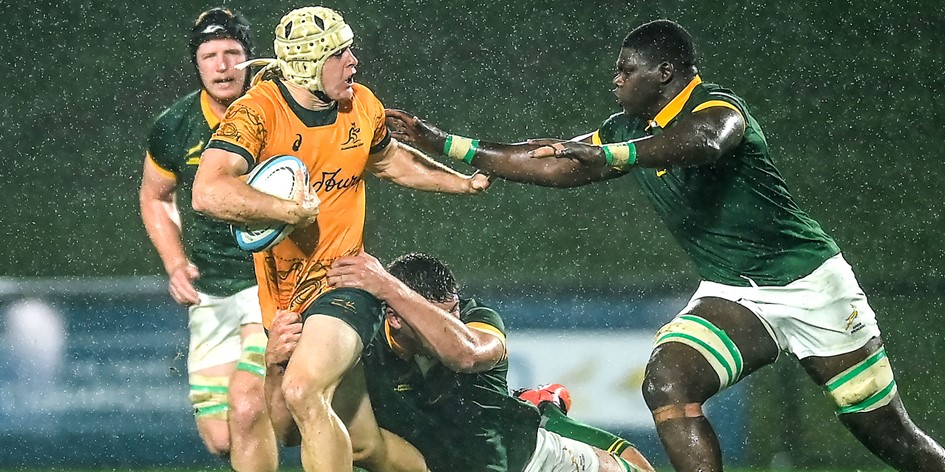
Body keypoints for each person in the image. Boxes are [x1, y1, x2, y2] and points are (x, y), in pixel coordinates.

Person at [384, 19, 945, 472]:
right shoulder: (627, 128)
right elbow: (552, 162)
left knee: (890, 439)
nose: (616, 81)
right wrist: (444, 142)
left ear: (666, 72)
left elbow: (705, 143)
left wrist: (614, 155)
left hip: (811, 287)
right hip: (733, 293)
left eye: (627, 71)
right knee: (667, 381)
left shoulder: (718, 109)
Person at [191, 6, 488, 471]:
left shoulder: (361, 105)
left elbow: (389, 160)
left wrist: (461, 182)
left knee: (304, 390)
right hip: (283, 299)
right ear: (308, 65)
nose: (353, 62)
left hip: (345, 281)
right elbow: (207, 191)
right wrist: (287, 210)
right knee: (357, 443)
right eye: (339, 53)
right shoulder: (258, 111)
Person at [265, 251, 655, 472]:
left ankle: (541, 409)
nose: (451, 323)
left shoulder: (476, 318)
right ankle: (539, 403)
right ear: (395, 317)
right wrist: (276, 368)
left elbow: (466, 354)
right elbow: (290, 435)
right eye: (434, 315)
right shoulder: (360, 342)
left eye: (452, 311)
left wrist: (387, 286)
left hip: (528, 459)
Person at [139, 7, 277, 471]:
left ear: (250, 58)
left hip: (273, 283)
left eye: (233, 53)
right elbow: (155, 197)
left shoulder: (280, 112)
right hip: (211, 289)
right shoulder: (174, 126)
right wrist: (175, 263)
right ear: (196, 64)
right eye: (209, 56)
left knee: (247, 402)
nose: (222, 66)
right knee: (221, 439)